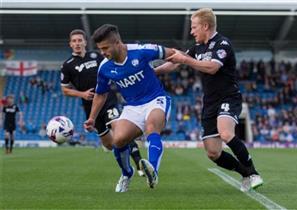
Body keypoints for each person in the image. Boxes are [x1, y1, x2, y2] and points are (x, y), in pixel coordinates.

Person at [155, 8, 263, 192]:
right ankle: (244, 173)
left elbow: (212, 68)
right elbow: (174, 62)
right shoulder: (197, 48)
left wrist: (186, 60)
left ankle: (254, 173)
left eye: (194, 27)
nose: (191, 31)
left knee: (226, 133)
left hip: (228, 97)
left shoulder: (223, 44)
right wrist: (152, 72)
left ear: (205, 26)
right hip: (209, 103)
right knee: (213, 153)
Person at [84, 24, 175, 192]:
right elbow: (100, 94)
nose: (102, 53)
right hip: (132, 106)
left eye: (105, 48)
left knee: (151, 127)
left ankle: (153, 171)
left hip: (156, 99)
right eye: (100, 49)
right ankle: (127, 173)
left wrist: (179, 63)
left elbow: (173, 54)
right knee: (117, 140)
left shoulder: (142, 51)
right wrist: (92, 117)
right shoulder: (104, 68)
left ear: (117, 43)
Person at [60, 29, 144, 176]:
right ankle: (127, 158)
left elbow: (112, 66)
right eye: (74, 41)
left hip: (108, 99)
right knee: (109, 144)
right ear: (70, 44)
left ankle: (138, 164)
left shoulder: (96, 56)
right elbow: (65, 90)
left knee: (119, 133)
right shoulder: (67, 65)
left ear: (85, 42)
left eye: (80, 40)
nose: (77, 43)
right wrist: (82, 94)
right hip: (91, 107)